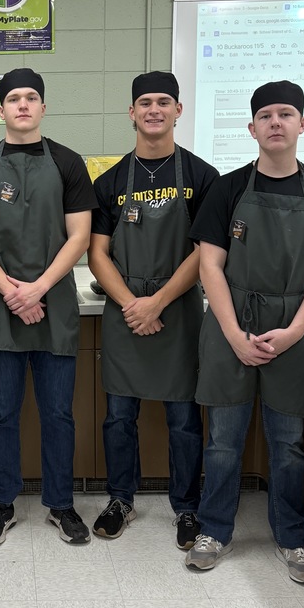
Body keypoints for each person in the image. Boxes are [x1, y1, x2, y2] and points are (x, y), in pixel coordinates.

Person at [187, 80, 304, 582]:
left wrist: (292, 331)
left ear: (303, 124)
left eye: (286, 114)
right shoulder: (229, 188)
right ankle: (214, 530)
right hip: (228, 324)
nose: (276, 122)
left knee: (287, 442)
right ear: (252, 128)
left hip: (294, 328)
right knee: (221, 440)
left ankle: (292, 538)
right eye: (266, 115)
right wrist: (236, 335)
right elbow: (210, 267)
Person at [0, 68, 97, 546]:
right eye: (13, 98)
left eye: (31, 97)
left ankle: (61, 504)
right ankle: (3, 503)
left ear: (43, 106)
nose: (22, 104)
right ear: (0, 110)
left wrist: (36, 290)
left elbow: (79, 237)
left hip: (54, 302)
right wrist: (14, 293)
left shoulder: (69, 162)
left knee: (58, 413)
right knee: (1, 413)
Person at [88, 71, 218, 549]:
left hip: (179, 310)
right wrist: (132, 305)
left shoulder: (203, 178)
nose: (154, 110)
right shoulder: (110, 181)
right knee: (119, 415)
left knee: (184, 418)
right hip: (126, 311)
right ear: (132, 113)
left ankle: (186, 507)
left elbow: (206, 251)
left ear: (178, 111)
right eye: (145, 102)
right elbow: (96, 253)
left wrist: (158, 302)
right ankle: (120, 499)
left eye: (164, 101)